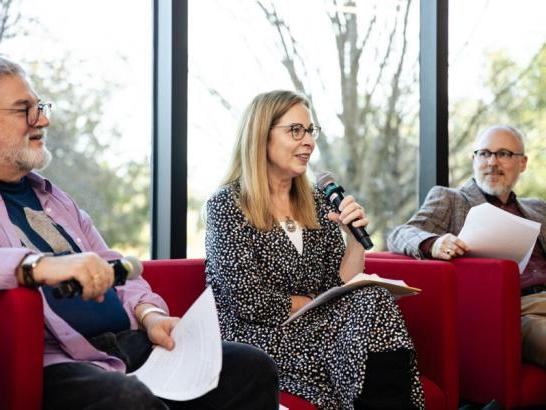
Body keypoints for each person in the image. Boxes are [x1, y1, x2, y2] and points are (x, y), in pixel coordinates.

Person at [0, 56, 279, 410]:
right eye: (24, 109)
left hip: (131, 345)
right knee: (127, 400)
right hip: (65, 362)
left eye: (40, 106)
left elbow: (118, 270)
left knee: (250, 367)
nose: (43, 119)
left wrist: (151, 317)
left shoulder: (56, 200)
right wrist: (39, 266)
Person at [205, 90, 424, 410]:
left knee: (372, 297)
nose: (308, 141)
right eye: (296, 131)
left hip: (314, 325)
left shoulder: (317, 202)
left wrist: (352, 238)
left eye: (311, 131)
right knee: (366, 326)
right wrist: (307, 302)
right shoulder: (227, 205)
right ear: (260, 136)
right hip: (255, 336)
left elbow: (338, 283)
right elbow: (247, 299)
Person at [387, 124, 546, 368]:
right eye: (484, 153)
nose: (492, 162)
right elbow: (400, 233)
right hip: (518, 311)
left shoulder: (538, 208)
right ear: (474, 159)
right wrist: (434, 243)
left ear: (522, 163)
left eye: (503, 154)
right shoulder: (450, 199)